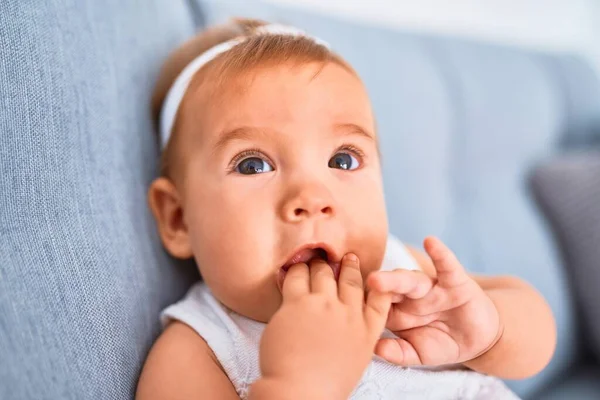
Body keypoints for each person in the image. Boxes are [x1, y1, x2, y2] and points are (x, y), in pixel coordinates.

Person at [136, 18, 556, 399]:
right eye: (253, 164)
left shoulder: (399, 275)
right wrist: (303, 385)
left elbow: (535, 338)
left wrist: (491, 332)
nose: (312, 199)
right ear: (178, 219)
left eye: (342, 160)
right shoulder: (199, 349)